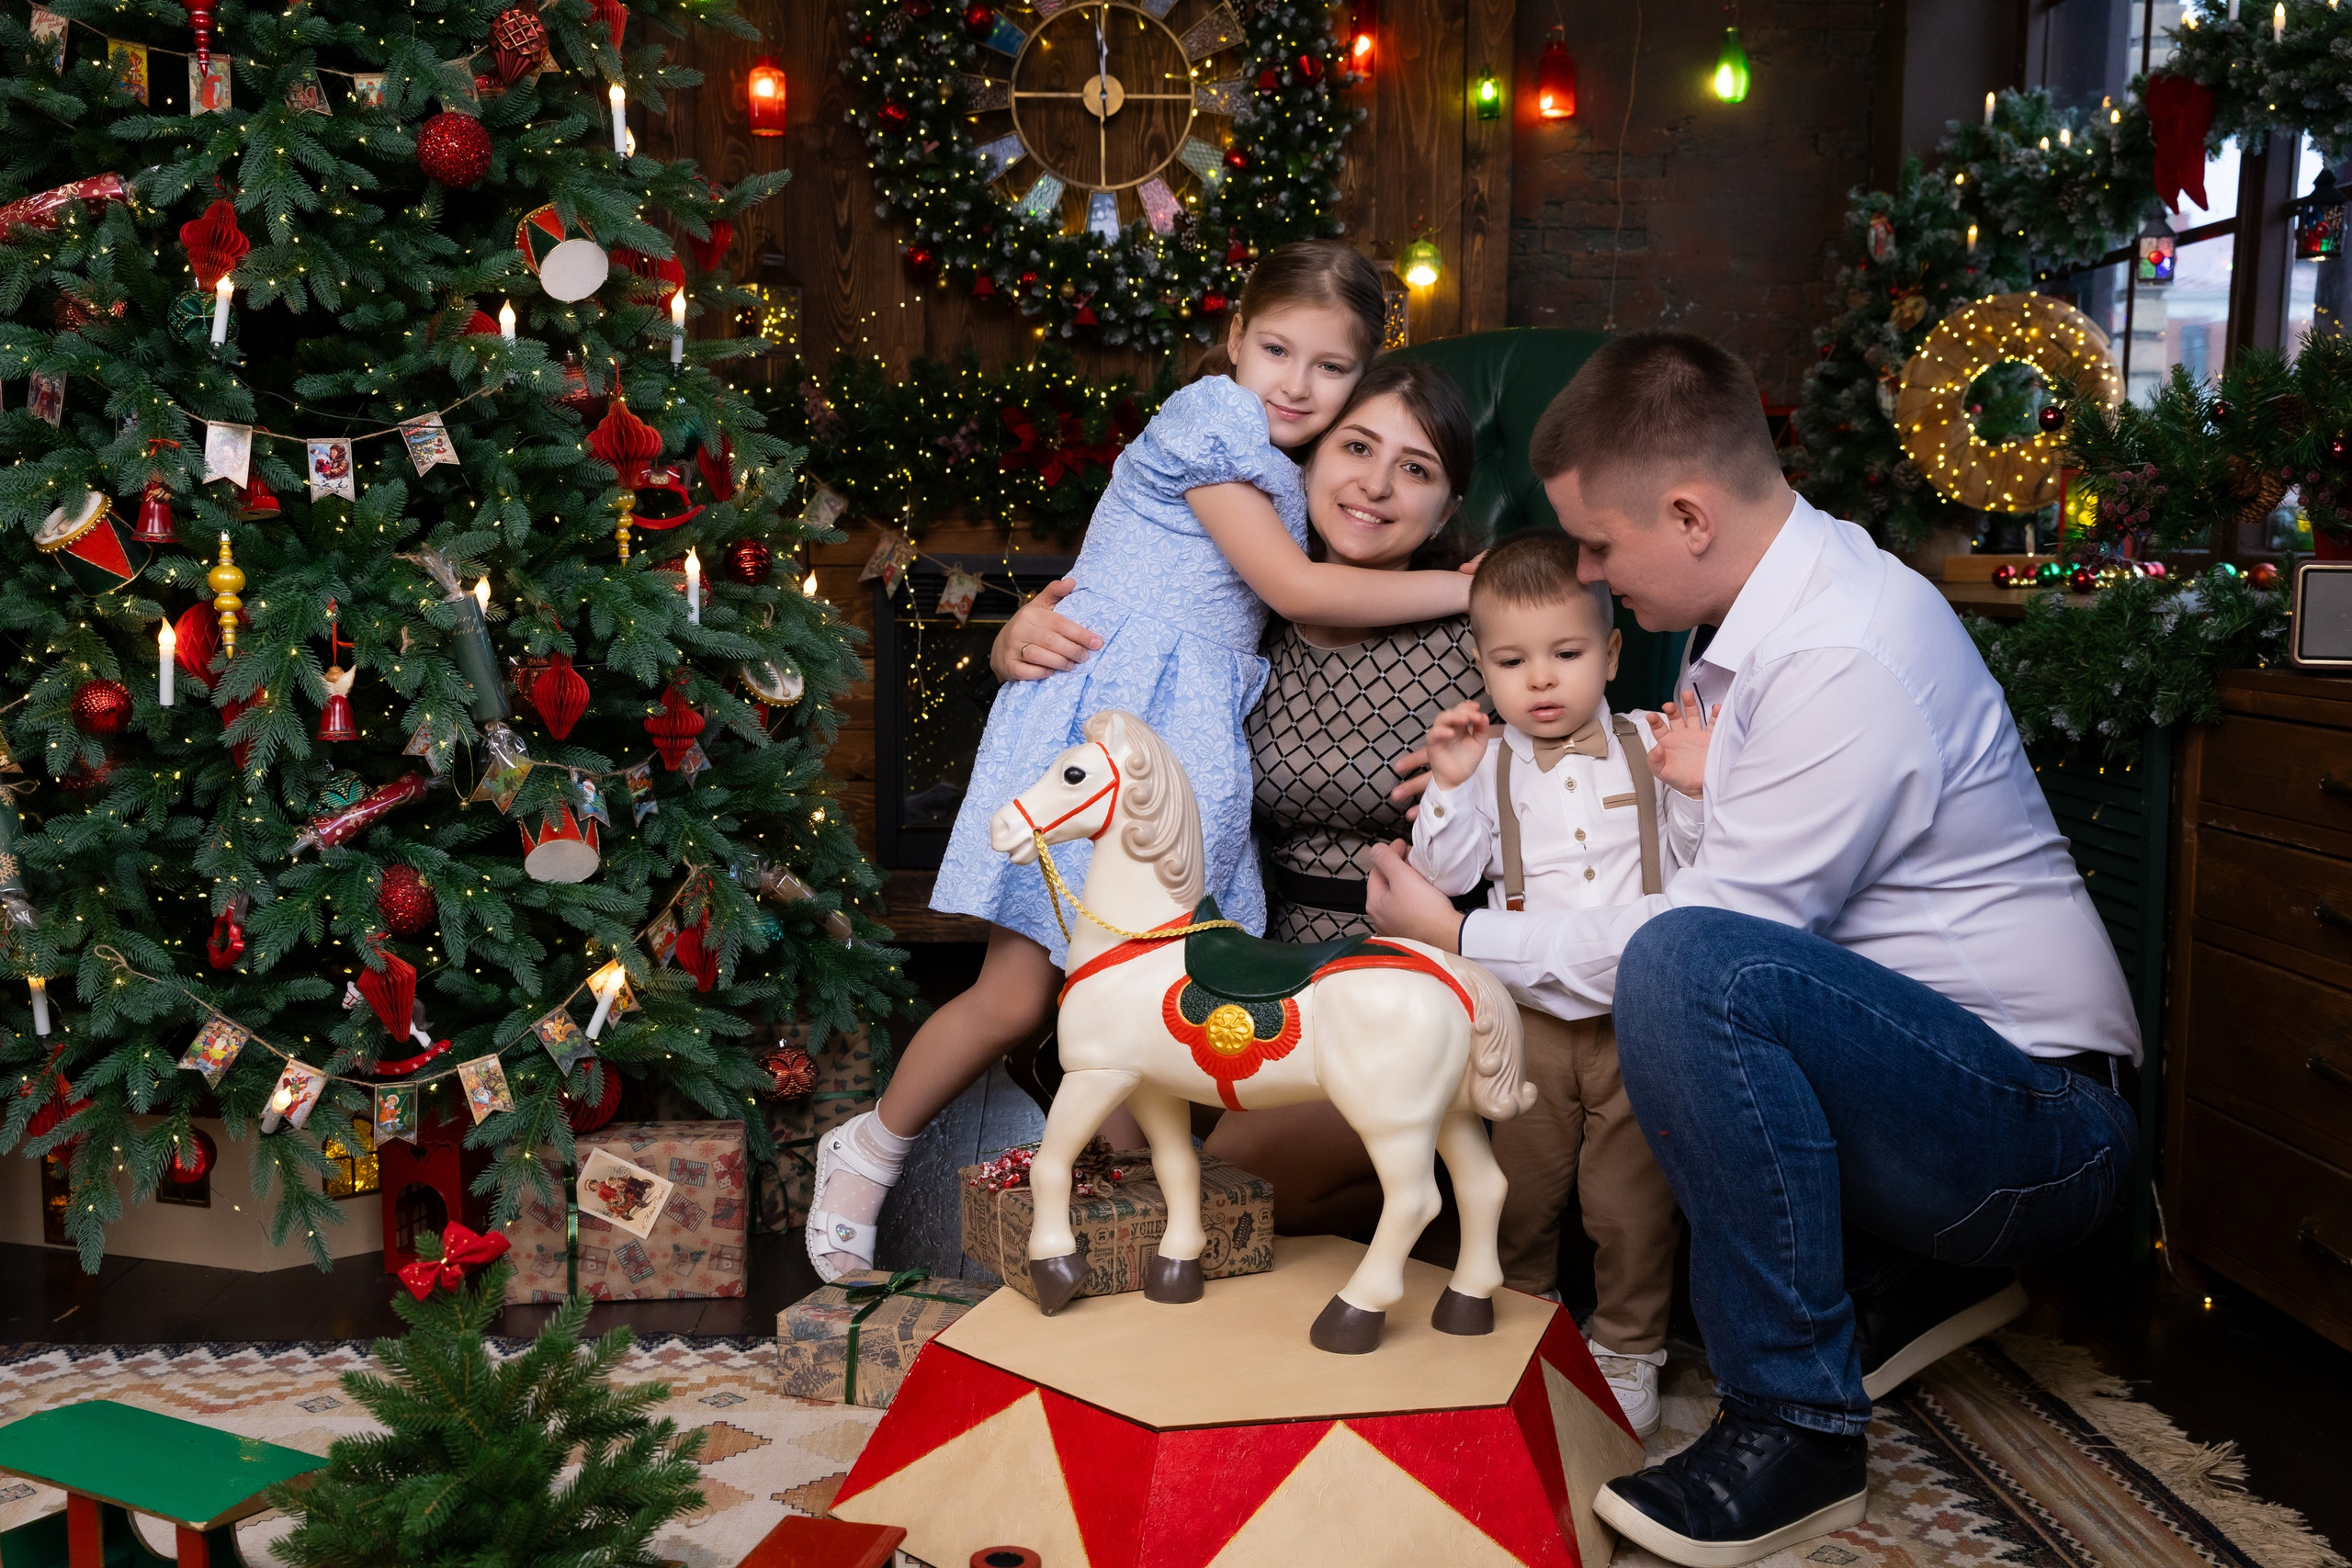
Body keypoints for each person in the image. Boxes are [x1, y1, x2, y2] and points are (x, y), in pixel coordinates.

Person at [1363, 331, 2139, 1567]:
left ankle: (1798, 1427)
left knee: (1682, 967)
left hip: (2037, 1130)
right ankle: (1914, 1276)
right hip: (1941, 1092)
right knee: (1693, 959)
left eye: (1603, 549)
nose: (1593, 578)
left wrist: (1467, 933)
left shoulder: (1837, 651)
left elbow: (1708, 944)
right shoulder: (1757, 630)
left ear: (1689, 514)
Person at [804, 243, 1476, 1281]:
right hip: (1110, 729)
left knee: (1129, 994)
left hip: (1178, 739)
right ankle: (869, 1148)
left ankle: (1118, 1219)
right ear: (1232, 341)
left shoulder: (1302, 472)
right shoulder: (1212, 422)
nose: (1295, 384)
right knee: (1021, 994)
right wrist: (1466, 587)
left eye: (1329, 367)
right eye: (1275, 350)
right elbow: (1284, 593)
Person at [993, 358, 1486, 1246]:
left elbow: (1574, 794)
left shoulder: (1479, 640)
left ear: (1448, 510)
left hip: (1396, 982)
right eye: (1357, 447)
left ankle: (1442, 1225)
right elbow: (1113, 681)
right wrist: (1015, 640)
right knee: (1137, 1152)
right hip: (1244, 976)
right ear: (1304, 464)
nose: (1376, 484)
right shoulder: (1244, 613)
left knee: (1230, 1191)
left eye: (1416, 469)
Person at [1407, 530, 1708, 1438]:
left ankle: (1626, 1343)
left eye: (1566, 655)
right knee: (1518, 1191)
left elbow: (1703, 867)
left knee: (1629, 1204)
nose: (1540, 681)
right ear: (1482, 667)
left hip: (1635, 1022)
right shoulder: (1484, 761)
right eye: (1511, 661)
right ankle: (1520, 1317)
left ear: (1610, 652)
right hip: (1526, 1020)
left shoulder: (1653, 742)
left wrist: (1692, 791)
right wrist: (1452, 788)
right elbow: (1443, 875)